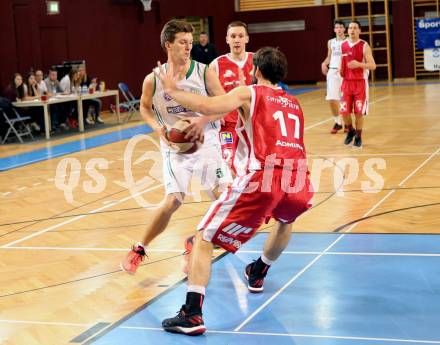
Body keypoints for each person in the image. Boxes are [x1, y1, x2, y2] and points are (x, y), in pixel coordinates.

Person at [157, 46, 313, 335]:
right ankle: (258, 271)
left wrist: (173, 91)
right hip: (300, 178)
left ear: (257, 71)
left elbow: (207, 107)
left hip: (265, 175)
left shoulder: (250, 92)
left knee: (203, 238)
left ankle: (192, 313)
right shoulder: (294, 102)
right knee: (286, 219)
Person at [120, 19, 231, 275]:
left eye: (190, 43)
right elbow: (145, 108)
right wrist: (159, 129)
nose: (187, 47)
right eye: (182, 42)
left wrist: (201, 121)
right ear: (168, 44)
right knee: (172, 201)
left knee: (224, 198)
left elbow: (224, 103)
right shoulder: (153, 79)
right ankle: (139, 249)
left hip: (207, 141)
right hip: (175, 144)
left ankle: (196, 242)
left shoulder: (203, 72)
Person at [210, 21, 254, 175]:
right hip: (227, 124)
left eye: (241, 36)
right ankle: (232, 196)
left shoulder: (257, 60)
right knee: (228, 166)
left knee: (253, 166)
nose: (237, 40)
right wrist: (214, 112)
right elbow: (206, 93)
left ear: (247, 39)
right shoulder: (216, 64)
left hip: (253, 123)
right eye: (233, 36)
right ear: (227, 39)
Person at [339, 20, 376, 148]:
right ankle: (350, 131)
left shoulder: (364, 45)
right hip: (346, 83)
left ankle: (359, 137)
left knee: (358, 112)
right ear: (347, 31)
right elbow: (342, 61)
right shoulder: (343, 45)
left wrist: (359, 64)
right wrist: (340, 69)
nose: (352, 30)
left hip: (360, 83)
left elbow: (373, 65)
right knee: (344, 111)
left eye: (355, 28)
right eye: (350, 28)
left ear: (360, 30)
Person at [321, 20, 346, 134]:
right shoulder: (330, 42)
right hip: (333, 71)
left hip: (345, 72)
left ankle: (348, 123)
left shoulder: (348, 41)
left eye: (341, 27)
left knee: (345, 99)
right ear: (334, 29)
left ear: (344, 29)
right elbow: (329, 57)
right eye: (337, 27)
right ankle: (338, 122)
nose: (339, 29)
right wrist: (324, 63)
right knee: (332, 99)